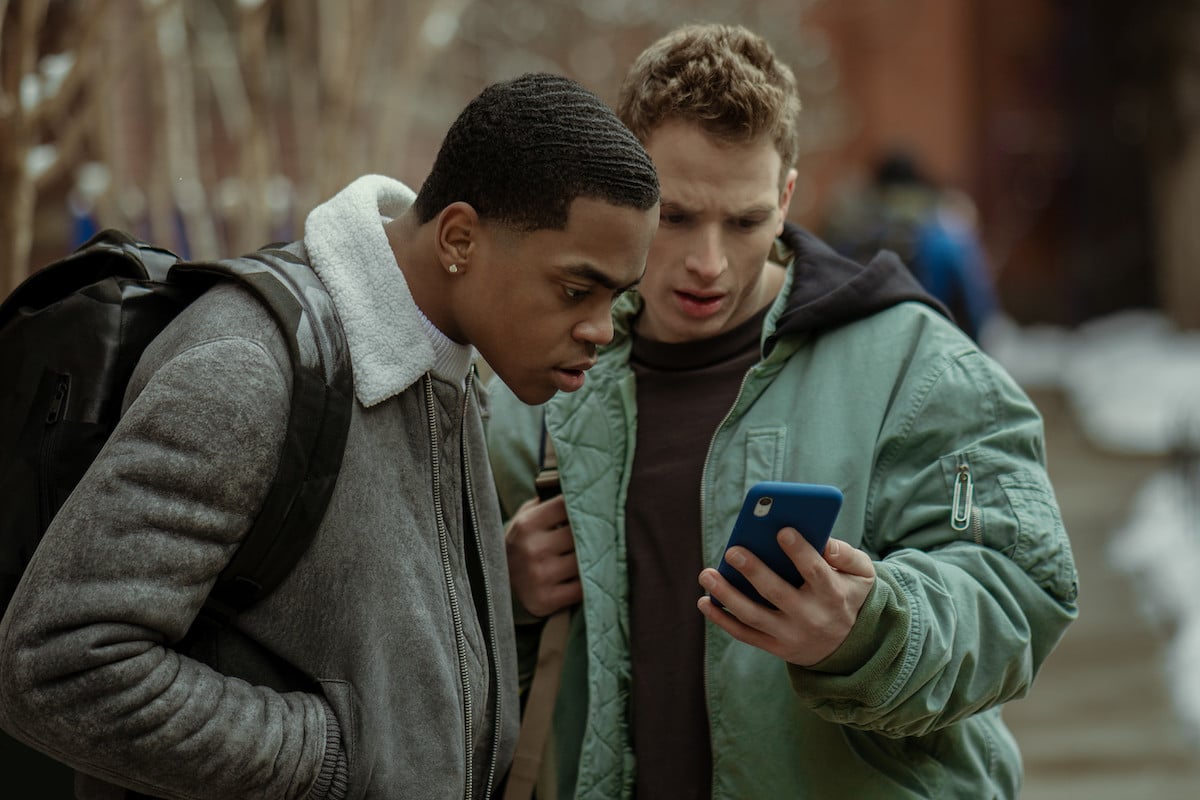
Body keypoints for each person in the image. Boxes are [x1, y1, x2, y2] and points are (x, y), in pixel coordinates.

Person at [0, 72, 659, 800]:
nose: (601, 329)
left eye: (616, 298)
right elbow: (57, 665)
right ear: (460, 237)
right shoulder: (249, 367)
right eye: (576, 290)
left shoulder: (453, 358)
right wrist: (336, 761)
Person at [486, 25, 1078, 800]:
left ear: (788, 196)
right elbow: (433, 662)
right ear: (622, 183)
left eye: (744, 222)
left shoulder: (917, 367)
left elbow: (1019, 587)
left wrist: (867, 632)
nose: (709, 261)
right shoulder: (536, 378)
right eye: (676, 216)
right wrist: (503, 591)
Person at [823, 149, 1000, 343]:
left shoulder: (853, 231)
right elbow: (976, 307)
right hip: (934, 342)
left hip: (865, 343)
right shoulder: (942, 235)